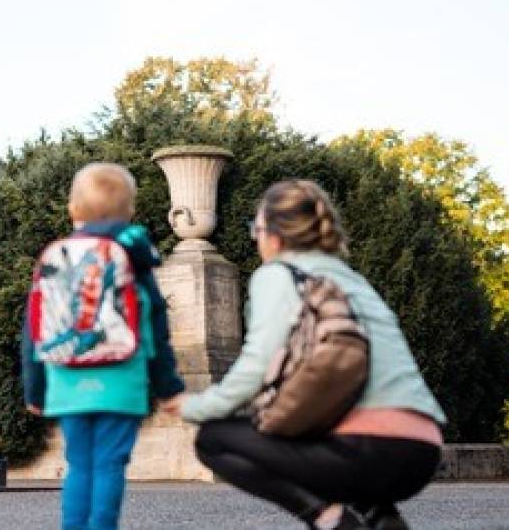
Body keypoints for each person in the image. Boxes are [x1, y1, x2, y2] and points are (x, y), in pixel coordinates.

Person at [164, 179, 446, 530]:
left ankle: (331, 520)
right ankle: (380, 517)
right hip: (422, 450)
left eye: (257, 229)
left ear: (275, 236)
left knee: (215, 439)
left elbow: (256, 367)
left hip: (366, 450)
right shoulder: (351, 279)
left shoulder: (280, 274)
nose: (256, 239)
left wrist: (194, 406)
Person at [22, 162, 185, 530]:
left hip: (67, 382)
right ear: (129, 213)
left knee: (79, 464)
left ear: (73, 211)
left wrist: (36, 391)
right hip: (121, 383)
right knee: (110, 465)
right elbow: (156, 327)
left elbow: (33, 332)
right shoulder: (134, 257)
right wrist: (169, 388)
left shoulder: (56, 258)